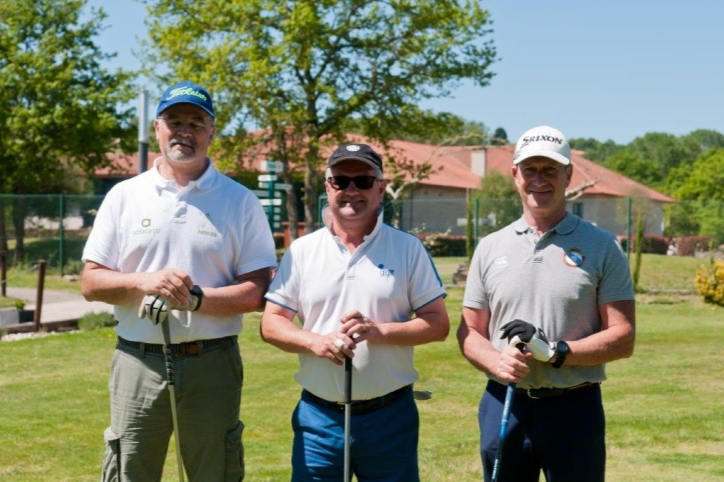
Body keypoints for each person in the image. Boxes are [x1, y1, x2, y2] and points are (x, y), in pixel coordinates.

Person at [81, 80, 277, 481]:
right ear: (158, 128)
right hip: (138, 359)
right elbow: (91, 282)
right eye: (174, 120)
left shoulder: (240, 200)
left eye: (196, 122)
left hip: (212, 361)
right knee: (130, 471)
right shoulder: (124, 195)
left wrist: (195, 299)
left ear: (211, 132)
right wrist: (146, 282)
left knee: (214, 473)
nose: (184, 131)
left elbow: (258, 290)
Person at [260, 143, 450, 481]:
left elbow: (438, 324)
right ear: (328, 187)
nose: (351, 190)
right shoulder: (302, 251)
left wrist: (381, 332)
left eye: (362, 180)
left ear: (380, 188)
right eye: (340, 180)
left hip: (389, 416)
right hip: (319, 418)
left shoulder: (407, 248)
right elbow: (272, 323)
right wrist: (316, 342)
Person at [457, 125, 636, 481]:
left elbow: (623, 336)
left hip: (574, 408)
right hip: (504, 400)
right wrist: (496, 361)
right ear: (514, 176)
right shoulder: (490, 247)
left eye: (550, 170)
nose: (539, 180)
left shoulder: (602, 246)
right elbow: (469, 331)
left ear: (568, 175)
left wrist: (554, 352)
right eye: (530, 170)